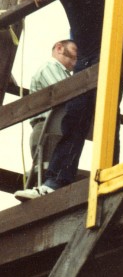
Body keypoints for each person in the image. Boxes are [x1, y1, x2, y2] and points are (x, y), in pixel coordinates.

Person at [14, 0, 123, 202]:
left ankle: (108, 175)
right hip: (87, 54)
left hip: (110, 45)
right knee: (76, 114)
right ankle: (56, 181)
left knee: (105, 113)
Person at [28, 39, 78, 178]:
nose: (77, 57)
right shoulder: (50, 67)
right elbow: (67, 95)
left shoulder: (64, 73)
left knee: (54, 177)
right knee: (50, 176)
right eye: (75, 50)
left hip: (55, 130)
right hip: (48, 130)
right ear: (59, 48)